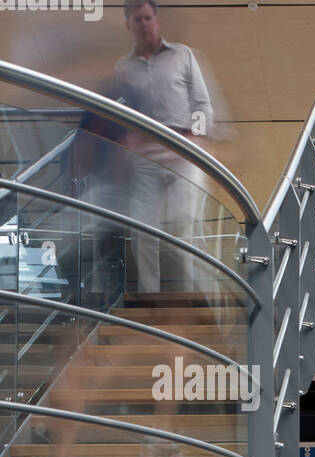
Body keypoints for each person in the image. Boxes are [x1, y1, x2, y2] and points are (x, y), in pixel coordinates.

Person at [113, 0, 214, 294]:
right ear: (128, 25)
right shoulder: (123, 67)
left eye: (148, 18)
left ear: (156, 20)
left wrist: (194, 140)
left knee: (186, 223)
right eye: (137, 20)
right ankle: (150, 297)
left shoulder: (183, 55)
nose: (144, 25)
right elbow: (120, 113)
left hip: (185, 154)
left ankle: (199, 295)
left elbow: (202, 104)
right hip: (146, 159)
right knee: (142, 229)